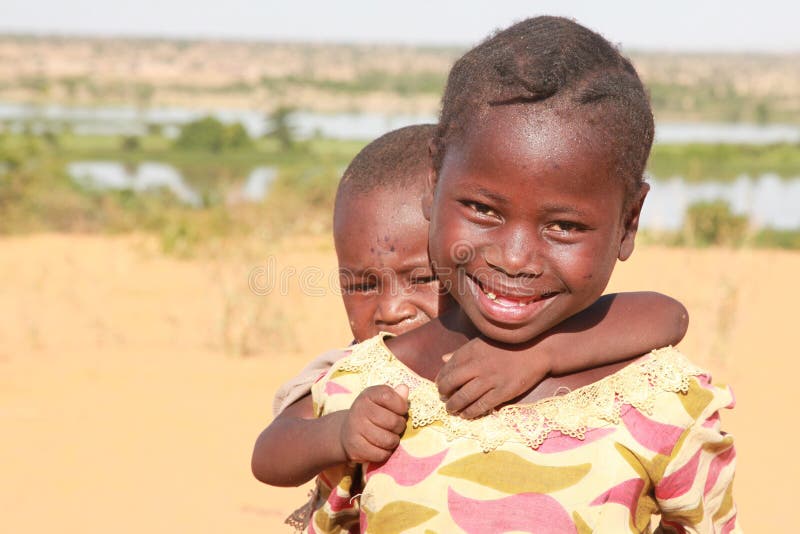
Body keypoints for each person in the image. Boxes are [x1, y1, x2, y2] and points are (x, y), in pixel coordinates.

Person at [302, 16, 738, 533]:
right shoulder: (365, 390)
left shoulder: (661, 406)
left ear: (629, 222)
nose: (513, 258)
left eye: (564, 225)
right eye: (484, 210)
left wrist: (545, 354)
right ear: (434, 179)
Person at [253, 121, 689, 505]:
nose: (391, 309)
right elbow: (269, 454)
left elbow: (668, 316)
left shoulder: (525, 330)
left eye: (422, 279)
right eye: (362, 285)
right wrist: (339, 433)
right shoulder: (354, 374)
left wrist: (541, 356)